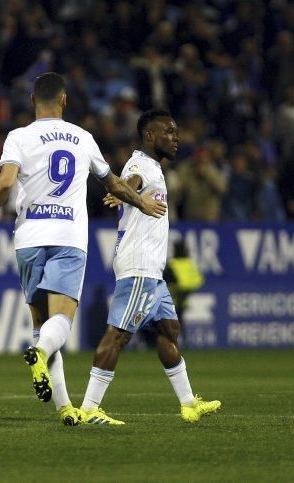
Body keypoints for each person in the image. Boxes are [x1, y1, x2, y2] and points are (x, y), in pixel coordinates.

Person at [0, 72, 167, 425]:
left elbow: (4, 183)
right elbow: (114, 184)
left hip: (29, 237)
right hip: (68, 238)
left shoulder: (18, 136)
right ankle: (40, 353)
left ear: (32, 99)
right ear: (64, 100)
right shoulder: (82, 137)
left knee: (41, 322)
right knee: (60, 321)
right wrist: (142, 203)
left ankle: (65, 409)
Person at [79, 109, 221, 424]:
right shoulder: (141, 164)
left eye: (177, 132)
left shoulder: (154, 168)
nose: (176, 138)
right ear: (149, 135)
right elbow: (130, 180)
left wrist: (125, 193)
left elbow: (131, 183)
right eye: (168, 132)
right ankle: (89, 408)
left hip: (153, 272)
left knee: (169, 330)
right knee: (117, 335)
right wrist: (123, 192)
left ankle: (188, 403)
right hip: (139, 266)